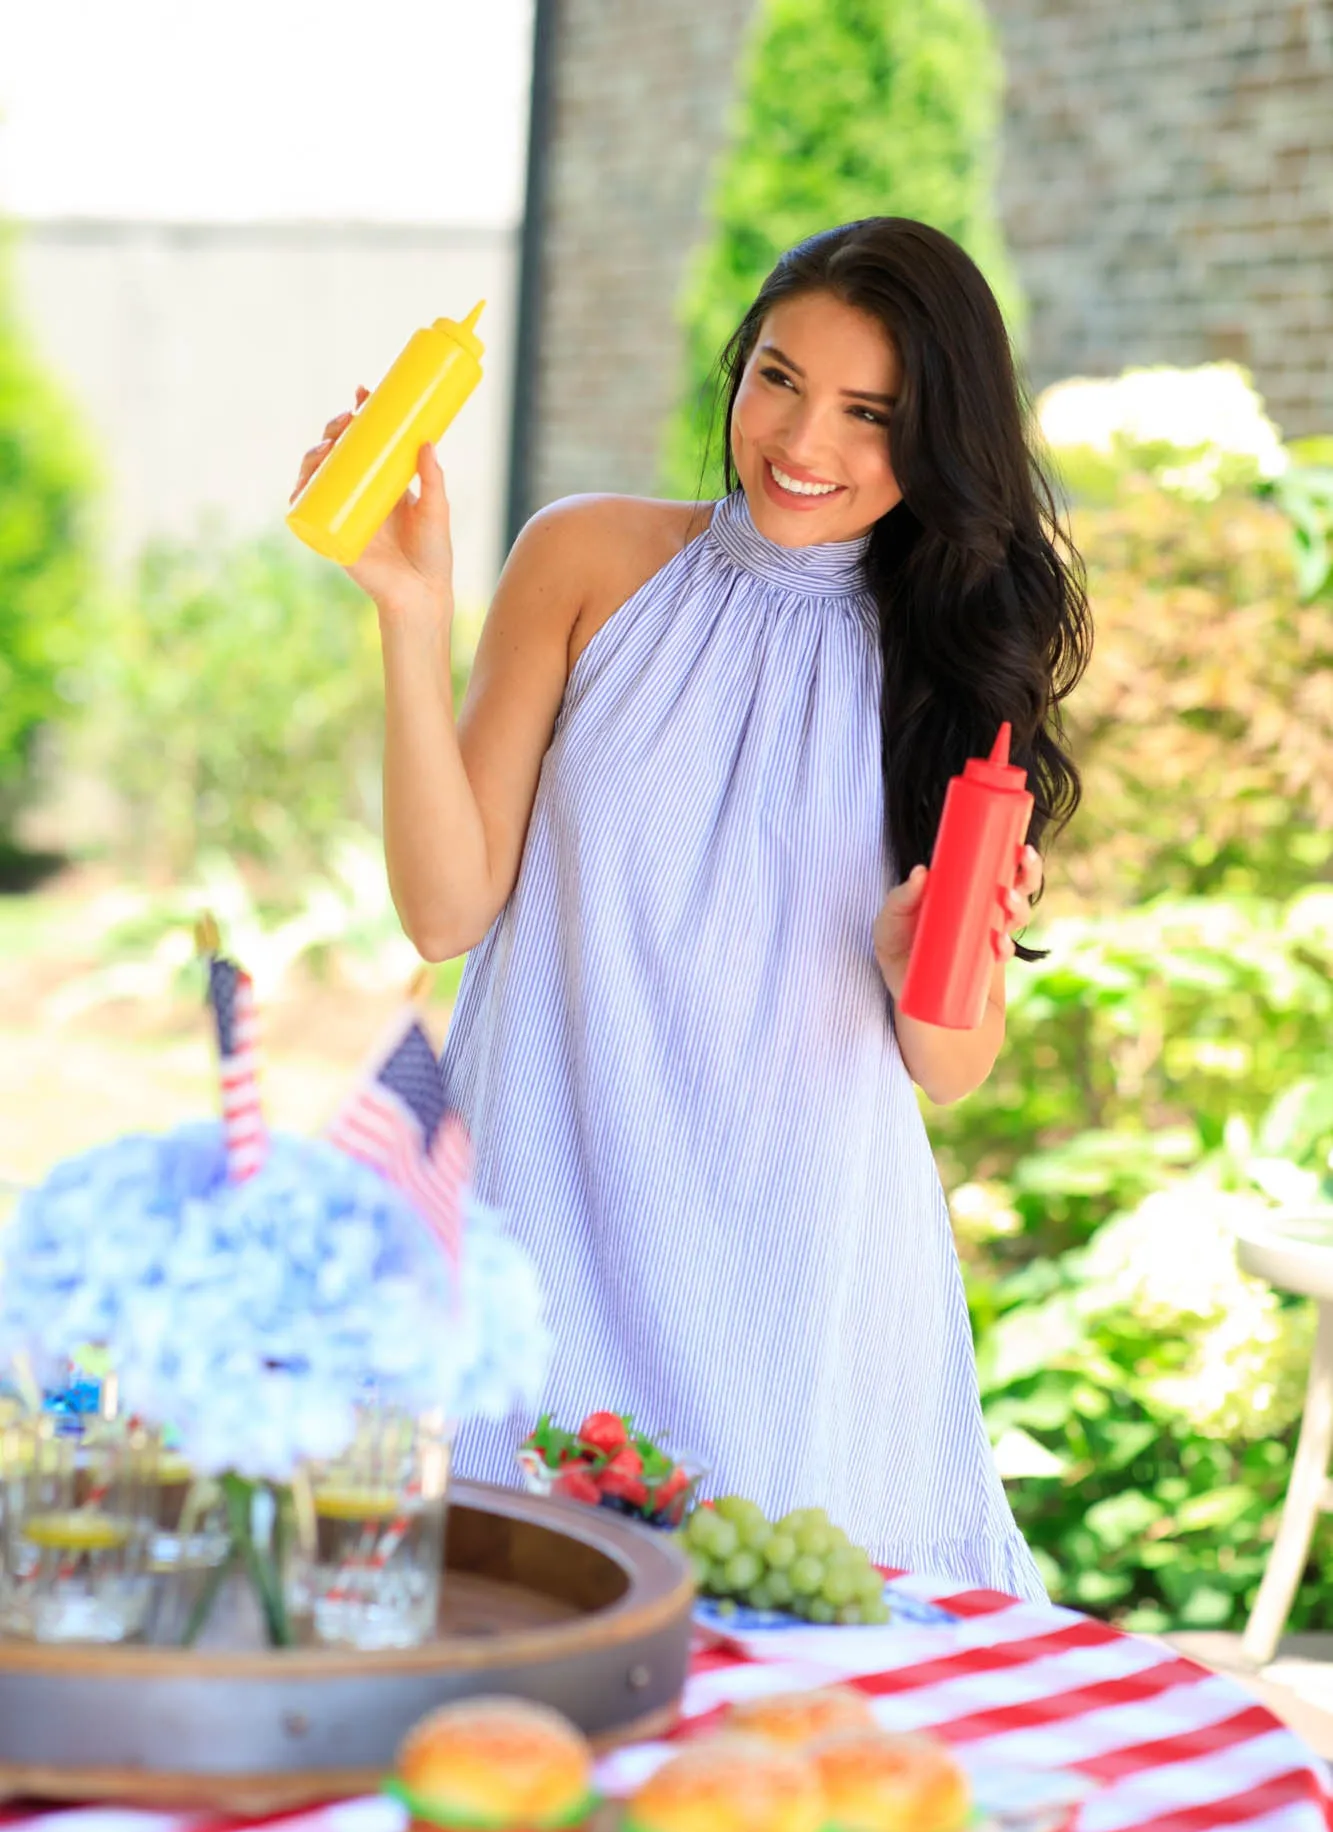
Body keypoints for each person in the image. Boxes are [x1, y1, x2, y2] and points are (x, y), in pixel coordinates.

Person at [293, 218, 1091, 1596]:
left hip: (797, 1277)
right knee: (494, 1647)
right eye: (777, 378)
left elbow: (951, 1067)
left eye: (870, 415)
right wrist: (409, 616)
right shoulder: (588, 559)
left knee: (775, 1733)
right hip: (545, 1223)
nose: (803, 441)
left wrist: (920, 967)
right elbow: (443, 909)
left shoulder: (954, 668)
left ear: (939, 438)